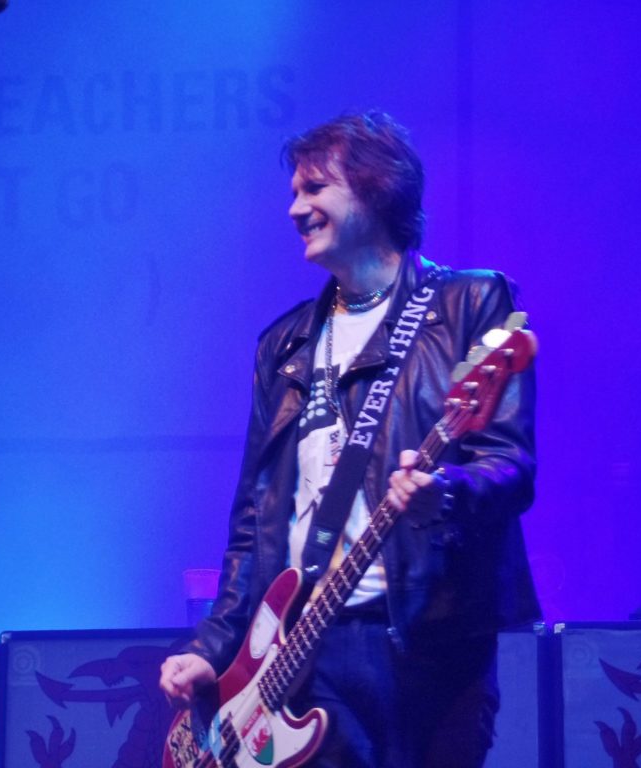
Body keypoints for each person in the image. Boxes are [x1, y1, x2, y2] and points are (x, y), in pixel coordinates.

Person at [158, 111, 539, 767]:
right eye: (293, 193)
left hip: (429, 639)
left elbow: (510, 465)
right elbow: (253, 518)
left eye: (313, 189)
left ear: (374, 187)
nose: (294, 209)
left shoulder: (469, 303)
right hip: (306, 649)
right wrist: (211, 646)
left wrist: (443, 495)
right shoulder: (284, 345)